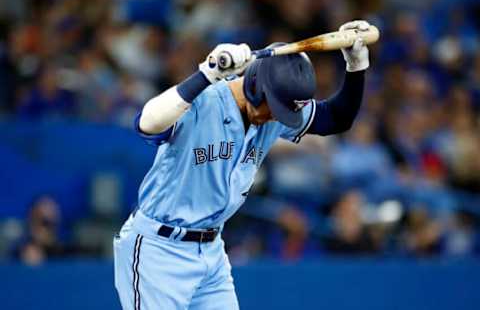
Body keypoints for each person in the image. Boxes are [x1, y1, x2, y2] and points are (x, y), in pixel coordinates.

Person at [113, 20, 371, 310]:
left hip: (211, 250)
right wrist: (205, 75)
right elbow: (145, 123)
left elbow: (337, 118)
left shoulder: (276, 113)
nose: (276, 118)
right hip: (159, 249)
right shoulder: (205, 101)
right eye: (273, 108)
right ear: (253, 84)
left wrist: (356, 65)